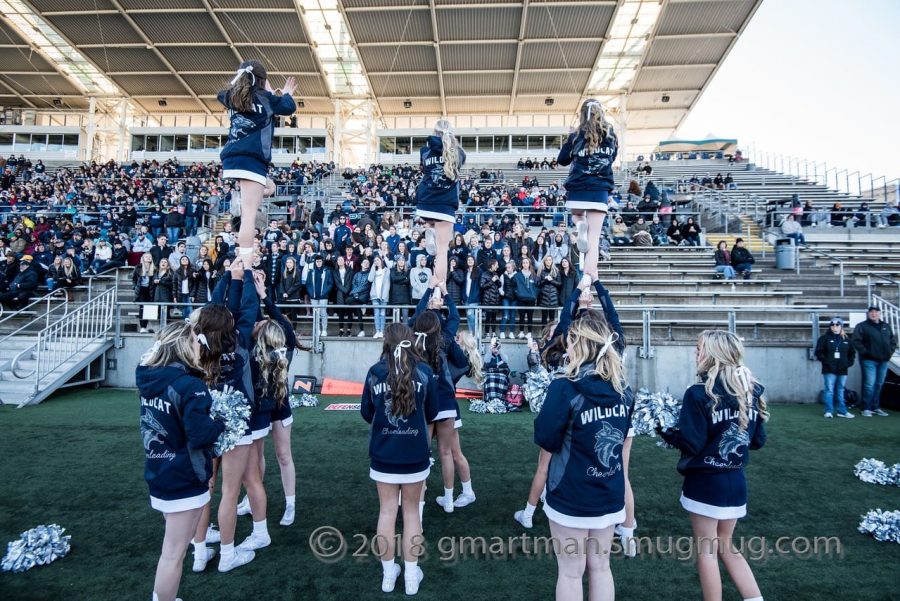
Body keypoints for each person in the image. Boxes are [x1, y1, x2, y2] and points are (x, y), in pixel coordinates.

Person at [658, 331, 767, 601]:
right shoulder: (751, 391)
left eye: (700, 348)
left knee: (706, 549)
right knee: (726, 545)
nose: (696, 353)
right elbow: (757, 441)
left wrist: (665, 430)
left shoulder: (698, 393)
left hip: (705, 483)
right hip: (736, 482)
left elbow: (692, 444)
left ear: (714, 354)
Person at [534, 314, 633, 601]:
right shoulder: (623, 390)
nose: (567, 349)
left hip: (571, 494)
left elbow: (545, 438)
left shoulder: (564, 387)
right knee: (601, 568)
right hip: (608, 492)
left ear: (581, 345)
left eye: (571, 342)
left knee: (570, 572)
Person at [137, 322, 224, 601]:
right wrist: (219, 424)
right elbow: (200, 435)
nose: (201, 344)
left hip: (159, 472)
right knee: (173, 555)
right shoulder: (190, 385)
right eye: (197, 340)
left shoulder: (149, 379)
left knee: (172, 550)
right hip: (184, 477)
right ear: (183, 346)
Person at [192, 258, 260, 573]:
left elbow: (214, 312)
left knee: (205, 487)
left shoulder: (197, 347)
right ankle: (228, 554)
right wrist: (242, 276)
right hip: (236, 425)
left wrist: (228, 278)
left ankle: (198, 552)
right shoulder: (241, 339)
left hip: (205, 420)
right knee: (230, 493)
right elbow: (246, 310)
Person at [360, 323, 437, 595]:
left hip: (384, 455)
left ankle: (388, 573)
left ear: (386, 343)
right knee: (412, 512)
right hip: (415, 455)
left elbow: (367, 413)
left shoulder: (375, 371)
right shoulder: (425, 372)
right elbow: (432, 412)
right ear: (410, 342)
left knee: (387, 512)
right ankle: (411, 575)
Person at [218, 60, 296, 257]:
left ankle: (247, 199)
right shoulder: (265, 98)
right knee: (249, 217)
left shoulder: (232, 96)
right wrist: (284, 92)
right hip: (252, 160)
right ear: (262, 81)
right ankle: (245, 262)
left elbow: (221, 94)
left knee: (269, 188)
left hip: (232, 159)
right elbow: (288, 107)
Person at [411, 282, 475, 513]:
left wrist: (428, 292)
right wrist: (446, 295)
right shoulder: (446, 339)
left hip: (425, 401)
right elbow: (456, 318)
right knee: (447, 453)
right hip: (446, 401)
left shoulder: (414, 340)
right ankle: (448, 500)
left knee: (422, 454)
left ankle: (417, 505)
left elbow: (418, 314)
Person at [557, 98, 617, 285]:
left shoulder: (576, 135)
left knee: (577, 217)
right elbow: (613, 157)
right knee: (594, 238)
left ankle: (579, 223)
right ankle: (590, 275)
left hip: (577, 190)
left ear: (582, 114)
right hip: (599, 191)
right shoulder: (611, 134)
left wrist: (569, 139)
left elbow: (562, 160)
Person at [415, 120, 466, 292]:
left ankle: (430, 229)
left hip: (425, 204)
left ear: (434, 132)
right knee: (443, 251)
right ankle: (440, 282)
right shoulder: (459, 153)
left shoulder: (424, 151)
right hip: (444, 207)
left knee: (432, 224)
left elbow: (424, 171)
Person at [851, 305, 897, 417]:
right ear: (868, 313)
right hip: (869, 360)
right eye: (871, 311)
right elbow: (856, 341)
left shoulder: (886, 326)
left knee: (879, 384)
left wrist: (889, 353)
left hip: (884, 360)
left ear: (879, 313)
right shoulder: (862, 326)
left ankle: (875, 407)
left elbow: (893, 340)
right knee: (869, 385)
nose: (873, 313)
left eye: (876, 311)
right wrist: (866, 353)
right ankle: (865, 408)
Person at [814, 317, 856, 418]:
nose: (835, 327)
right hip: (829, 369)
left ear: (841, 326)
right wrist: (827, 362)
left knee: (840, 390)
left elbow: (852, 354)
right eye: (832, 325)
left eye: (837, 325)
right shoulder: (824, 338)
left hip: (842, 370)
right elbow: (819, 352)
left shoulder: (847, 339)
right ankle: (828, 411)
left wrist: (848, 363)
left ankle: (842, 411)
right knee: (829, 390)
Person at [305, 254, 333, 338]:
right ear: (315, 262)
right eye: (317, 261)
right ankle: (317, 329)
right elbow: (308, 284)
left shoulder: (327, 271)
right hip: (314, 296)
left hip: (323, 296)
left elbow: (330, 283)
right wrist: (311, 293)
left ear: (322, 262)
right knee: (315, 313)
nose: (319, 263)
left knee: (323, 312)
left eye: (320, 261)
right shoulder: (311, 272)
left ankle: (324, 329)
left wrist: (325, 292)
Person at [368, 255, 391, 338]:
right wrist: (373, 268)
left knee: (382, 313)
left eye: (378, 260)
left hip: (383, 295)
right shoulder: (374, 270)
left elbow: (388, 284)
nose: (376, 262)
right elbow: (370, 279)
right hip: (375, 295)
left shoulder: (386, 270)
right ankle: (377, 331)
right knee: (376, 313)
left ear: (381, 261)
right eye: (375, 261)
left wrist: (384, 295)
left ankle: (381, 331)